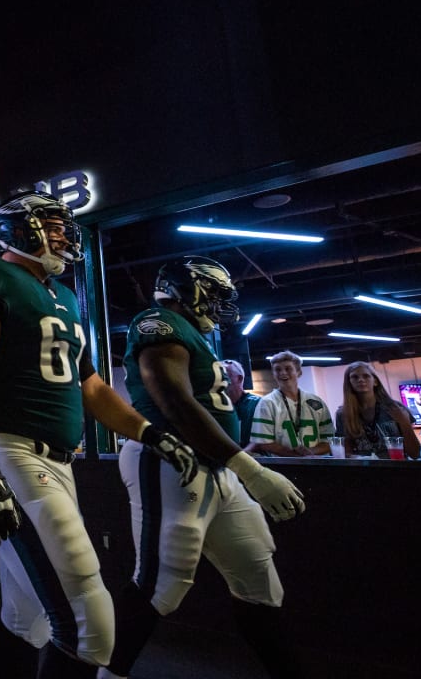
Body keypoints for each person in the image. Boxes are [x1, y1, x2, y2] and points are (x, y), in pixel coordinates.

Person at [0, 192, 197, 678]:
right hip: (9, 454)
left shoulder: (63, 296)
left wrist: (151, 434)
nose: (62, 235)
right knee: (90, 625)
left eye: (63, 226)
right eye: (51, 225)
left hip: (57, 462)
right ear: (17, 230)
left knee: (27, 620)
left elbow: (92, 387)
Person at [103, 256, 305, 679]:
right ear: (186, 290)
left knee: (258, 576)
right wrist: (251, 469)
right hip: (170, 460)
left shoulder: (196, 336)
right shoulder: (157, 322)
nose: (219, 306)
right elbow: (173, 401)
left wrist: (236, 467)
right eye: (213, 294)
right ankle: (107, 674)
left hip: (216, 467)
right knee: (161, 583)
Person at [248, 351, 333, 456]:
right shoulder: (267, 403)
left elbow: (330, 440)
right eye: (277, 369)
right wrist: (295, 455)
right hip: (283, 467)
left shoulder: (317, 402)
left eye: (288, 368)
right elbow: (263, 442)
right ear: (273, 374)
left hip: (316, 465)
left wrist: (311, 453)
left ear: (299, 372)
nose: (283, 373)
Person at [334, 361, 419, 459]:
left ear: (375, 381)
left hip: (397, 470)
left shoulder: (395, 408)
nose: (361, 380)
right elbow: (346, 454)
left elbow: (415, 453)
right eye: (355, 377)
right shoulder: (343, 414)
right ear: (349, 383)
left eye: (366, 376)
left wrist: (404, 423)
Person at [222, 359, 260, 447]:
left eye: (225, 376)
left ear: (239, 378)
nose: (221, 382)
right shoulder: (218, 406)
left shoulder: (257, 404)